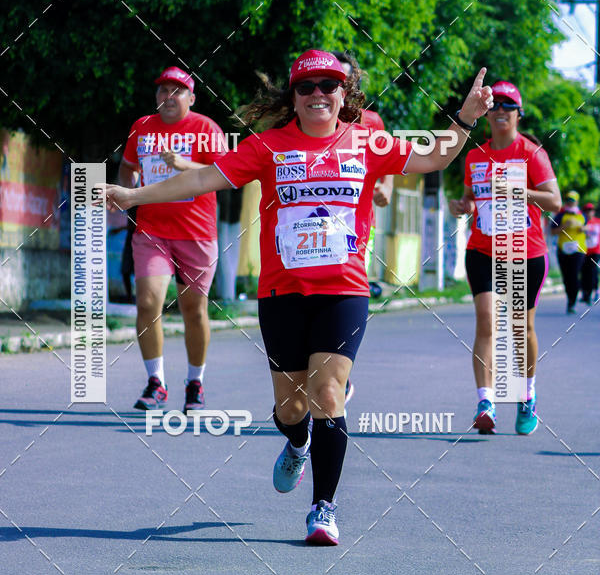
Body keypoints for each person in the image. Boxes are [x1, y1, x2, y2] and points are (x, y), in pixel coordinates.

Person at [106, 50, 493, 545]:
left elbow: (434, 157)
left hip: (343, 291)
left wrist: (465, 118)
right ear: (293, 96)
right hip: (282, 293)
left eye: (328, 85)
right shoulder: (267, 146)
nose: (317, 94)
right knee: (290, 407)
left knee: (328, 393)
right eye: (306, 86)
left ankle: (323, 508)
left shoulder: (367, 141)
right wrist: (133, 196)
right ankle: (297, 442)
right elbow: (203, 178)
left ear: (343, 94)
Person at [449, 80, 561, 435]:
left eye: (508, 106)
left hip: (525, 254)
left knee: (519, 328)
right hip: (483, 250)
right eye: (495, 105)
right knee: (486, 322)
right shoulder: (475, 156)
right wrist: (463, 205)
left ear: (518, 114)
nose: (500, 111)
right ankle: (486, 402)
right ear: (486, 113)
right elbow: (471, 198)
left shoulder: (532, 153)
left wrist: (521, 191)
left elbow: (555, 201)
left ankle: (527, 395)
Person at [118, 65, 227, 412]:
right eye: (163, 90)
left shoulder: (205, 129)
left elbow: (227, 173)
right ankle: (156, 382)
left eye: (177, 91)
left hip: (196, 233)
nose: (168, 97)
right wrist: (126, 191)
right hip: (152, 231)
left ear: (191, 98)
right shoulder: (142, 127)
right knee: (148, 303)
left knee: (193, 310)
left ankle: (195, 382)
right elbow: (128, 166)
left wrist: (184, 165)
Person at [332, 51, 394, 405]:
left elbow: (388, 162)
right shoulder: (307, 117)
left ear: (353, 84)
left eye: (341, 80)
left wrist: (385, 188)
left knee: (340, 297)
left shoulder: (371, 123)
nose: (331, 88)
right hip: (306, 231)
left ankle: (337, 373)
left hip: (354, 230)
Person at [552, 191, 587, 313]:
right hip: (563, 249)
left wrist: (584, 228)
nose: (570, 203)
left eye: (572, 200)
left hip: (578, 249)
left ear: (577, 201)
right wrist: (564, 226)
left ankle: (573, 301)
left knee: (574, 274)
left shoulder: (582, 215)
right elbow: (553, 231)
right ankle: (570, 299)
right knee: (567, 277)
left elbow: (590, 229)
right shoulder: (560, 215)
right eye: (568, 200)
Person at [581, 201, 600, 304]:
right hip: (584, 251)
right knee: (585, 272)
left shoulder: (598, 221)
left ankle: (595, 291)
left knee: (593, 272)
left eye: (590, 210)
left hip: (596, 250)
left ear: (593, 211)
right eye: (587, 211)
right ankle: (586, 294)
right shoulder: (582, 222)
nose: (589, 212)